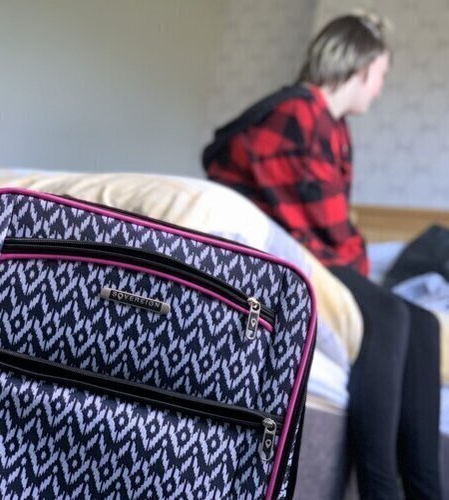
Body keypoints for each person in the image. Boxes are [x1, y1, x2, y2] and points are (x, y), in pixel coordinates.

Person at [202, 13, 441, 500]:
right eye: (380, 76)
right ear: (358, 67)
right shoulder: (296, 113)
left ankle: (426, 488)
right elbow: (324, 221)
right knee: (391, 314)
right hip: (287, 252)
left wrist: (355, 253)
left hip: (312, 247)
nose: (378, 90)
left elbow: (333, 224)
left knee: (426, 322)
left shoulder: (330, 126)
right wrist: (357, 256)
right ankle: (380, 489)